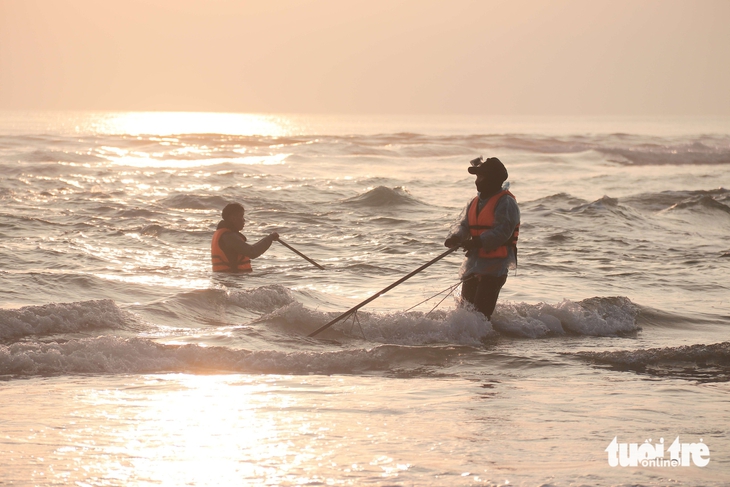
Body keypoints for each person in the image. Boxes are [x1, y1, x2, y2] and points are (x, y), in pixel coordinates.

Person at [444, 157, 520, 320]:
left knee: (480, 316)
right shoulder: (474, 202)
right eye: (477, 177)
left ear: (492, 179)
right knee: (465, 312)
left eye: (481, 177)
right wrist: (455, 237)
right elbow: (464, 225)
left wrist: (478, 242)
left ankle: (485, 343)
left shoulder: (506, 202)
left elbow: (502, 231)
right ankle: (469, 342)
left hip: (495, 267)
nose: (478, 181)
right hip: (474, 265)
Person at [211, 203, 279, 273]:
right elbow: (252, 252)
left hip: (225, 278)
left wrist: (269, 238)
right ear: (233, 219)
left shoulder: (223, 234)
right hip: (232, 278)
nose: (244, 220)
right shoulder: (229, 236)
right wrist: (270, 238)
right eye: (241, 216)